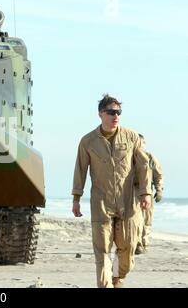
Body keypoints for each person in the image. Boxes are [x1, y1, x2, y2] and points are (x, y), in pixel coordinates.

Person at [72, 94, 152, 288]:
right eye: (111, 112)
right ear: (100, 114)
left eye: (118, 112)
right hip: (101, 203)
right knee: (102, 251)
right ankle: (105, 285)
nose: (115, 116)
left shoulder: (132, 137)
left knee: (128, 248)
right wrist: (76, 198)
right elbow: (80, 169)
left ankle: (117, 276)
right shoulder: (88, 141)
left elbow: (143, 166)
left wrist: (146, 193)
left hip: (127, 202)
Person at [135, 134, 164, 255]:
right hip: (132, 192)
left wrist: (159, 190)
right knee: (134, 219)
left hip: (147, 191)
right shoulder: (129, 157)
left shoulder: (150, 157)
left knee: (146, 219)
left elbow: (158, 174)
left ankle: (144, 243)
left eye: (141, 143)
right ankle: (136, 244)